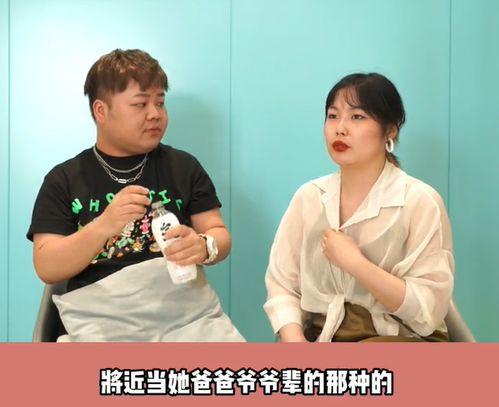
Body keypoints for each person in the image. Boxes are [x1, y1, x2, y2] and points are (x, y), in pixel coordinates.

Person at [27, 49, 231, 338]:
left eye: (160, 103)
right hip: (99, 323)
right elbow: (47, 266)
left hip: (186, 318)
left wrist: (204, 245)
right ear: (101, 111)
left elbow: (218, 233)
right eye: (140, 104)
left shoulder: (184, 167)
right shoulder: (64, 179)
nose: (155, 114)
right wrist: (104, 225)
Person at [264, 73, 454, 342]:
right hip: (320, 338)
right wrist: (296, 345)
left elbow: (427, 309)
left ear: (390, 131)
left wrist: (356, 264)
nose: (340, 128)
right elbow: (282, 285)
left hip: (400, 340)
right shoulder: (309, 197)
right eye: (333, 116)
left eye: (357, 117)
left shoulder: (420, 201)